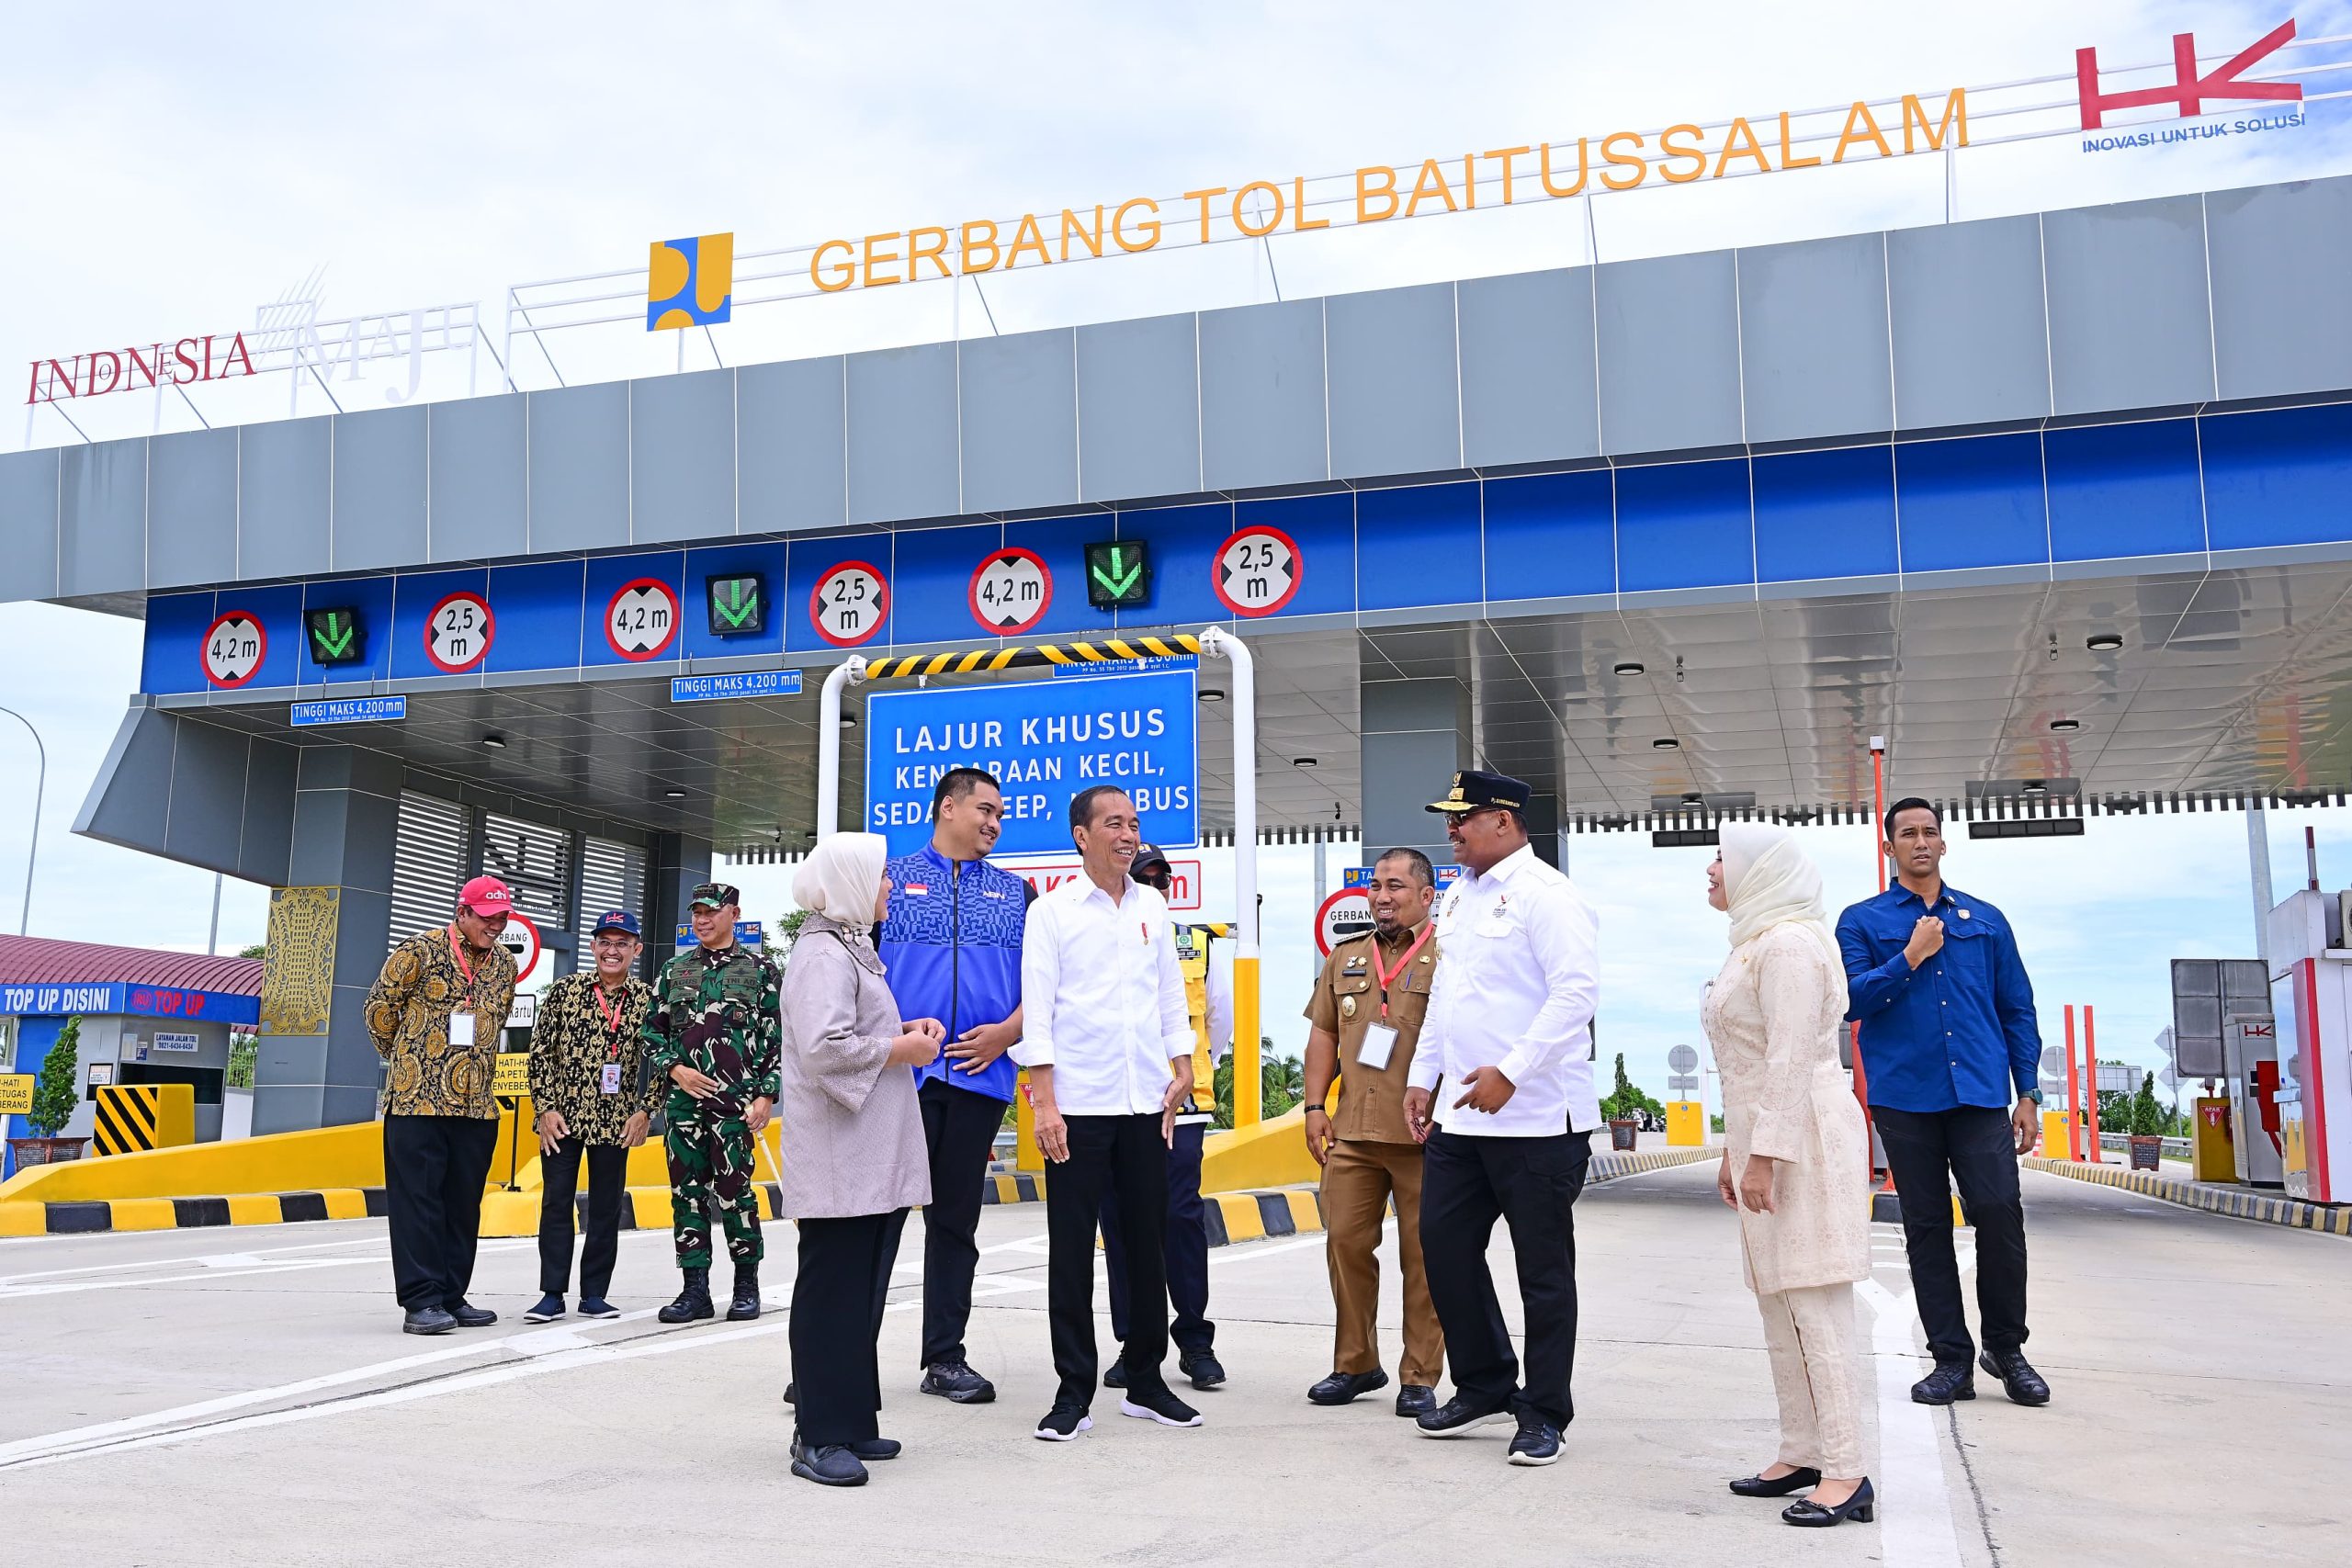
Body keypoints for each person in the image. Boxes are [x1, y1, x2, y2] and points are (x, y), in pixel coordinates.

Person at [1404, 770, 1598, 1467]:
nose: (1452, 829)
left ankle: (1544, 1410)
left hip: (1539, 1121)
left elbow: (1576, 994)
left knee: (1543, 1272)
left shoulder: (1548, 896)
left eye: (1465, 817)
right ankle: (1485, 1381)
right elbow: (1446, 997)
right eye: (1451, 817)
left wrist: (1513, 1069)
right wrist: (1423, 1076)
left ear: (1507, 821)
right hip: (1463, 1121)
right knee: (1444, 1246)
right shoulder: (1458, 896)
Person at [1837, 798, 2050, 1407]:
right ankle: (1951, 1360)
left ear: (1943, 843)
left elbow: (2017, 1008)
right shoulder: (1861, 921)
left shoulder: (1984, 920)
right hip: (1906, 1096)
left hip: (1980, 1091)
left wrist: (2027, 1091)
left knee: (1999, 1211)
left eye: (1930, 831)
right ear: (1890, 848)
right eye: (1908, 833)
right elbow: (1851, 999)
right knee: (1927, 1227)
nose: (1920, 841)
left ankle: (2006, 1348)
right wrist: (1910, 954)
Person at [1013, 785, 1204, 1440]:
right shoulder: (1054, 912)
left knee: (1148, 1243)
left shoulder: (1151, 904)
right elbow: (1038, 1007)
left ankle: (1146, 1379)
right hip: (1078, 1106)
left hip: (1145, 1102)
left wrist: (1183, 1065)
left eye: (1134, 822)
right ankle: (1073, 1391)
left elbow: (1168, 995)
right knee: (1071, 1251)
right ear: (1081, 834)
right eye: (1113, 823)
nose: (1127, 834)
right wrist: (1045, 1101)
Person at [1702, 826, 1875, 1529]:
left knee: (1814, 1298)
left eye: (1719, 858)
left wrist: (1766, 1153)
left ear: (1759, 871)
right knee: (1776, 1298)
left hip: (1802, 1134)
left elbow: (1790, 1057)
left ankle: (1845, 1468)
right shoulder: (1750, 944)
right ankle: (1802, 1449)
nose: (1711, 871)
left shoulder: (1792, 944)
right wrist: (1732, 1149)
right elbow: (1742, 1065)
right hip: (1766, 1134)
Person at [778, 832, 949, 1488]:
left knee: (856, 1292)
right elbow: (824, 1049)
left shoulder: (851, 944)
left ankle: (847, 1418)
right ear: (849, 882)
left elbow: (859, 1033)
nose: (888, 889)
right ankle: (816, 1434)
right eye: (879, 879)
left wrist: (905, 1034)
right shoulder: (822, 953)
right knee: (831, 1292)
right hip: (837, 1157)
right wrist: (900, 1050)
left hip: (864, 1154)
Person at [876, 767, 1031, 1407]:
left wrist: (1003, 1035)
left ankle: (944, 1356)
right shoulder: (889, 883)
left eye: (1000, 814)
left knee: (955, 1226)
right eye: (985, 810)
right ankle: (838, 1358)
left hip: (978, 1078)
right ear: (947, 808)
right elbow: (859, 978)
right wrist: (894, 1038)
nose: (994, 822)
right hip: (897, 1081)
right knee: (874, 1223)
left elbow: (1047, 990)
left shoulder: (1019, 895)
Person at [1301, 847, 1444, 1418]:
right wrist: (1314, 1107)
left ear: (1426, 895)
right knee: (1345, 1245)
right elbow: (1323, 1038)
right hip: (1353, 1134)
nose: (1382, 897)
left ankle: (1420, 1374)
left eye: (1396, 887)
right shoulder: (1346, 958)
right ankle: (1356, 1363)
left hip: (1422, 1135)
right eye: (1375, 887)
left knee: (1424, 1257)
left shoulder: (1450, 955)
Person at [364, 875, 521, 1336]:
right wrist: (409, 1060)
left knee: (462, 1204)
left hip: (476, 1107)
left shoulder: (504, 966)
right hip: (417, 1102)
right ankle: (422, 1299)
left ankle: (452, 1295)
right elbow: (378, 1009)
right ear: (463, 912)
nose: (496, 925)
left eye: (503, 918)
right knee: (419, 1203)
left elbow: (497, 1020)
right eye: (488, 918)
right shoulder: (420, 951)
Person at [1100, 842, 1228, 1393]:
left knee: (1180, 1221)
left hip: (1182, 1107)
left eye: (1161, 879)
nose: (1153, 887)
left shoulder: (1199, 944)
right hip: (1111, 1105)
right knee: (1122, 1224)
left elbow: (1217, 1023)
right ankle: (1133, 1344)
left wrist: (1193, 1074)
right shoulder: (1096, 933)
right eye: (1142, 877)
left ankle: (1195, 1342)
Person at [643, 882, 782, 1326]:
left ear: (733, 914)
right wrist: (674, 1069)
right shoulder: (674, 970)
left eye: (710, 912)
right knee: (686, 1195)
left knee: (736, 1195)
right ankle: (694, 1291)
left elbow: (778, 1040)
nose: (701, 920)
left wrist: (766, 1095)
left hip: (736, 1106)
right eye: (696, 912)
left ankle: (746, 1287)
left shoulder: (760, 970)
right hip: (684, 1105)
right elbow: (652, 1032)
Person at [522, 908, 659, 1324]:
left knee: (605, 1207)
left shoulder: (649, 1000)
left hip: (616, 1122)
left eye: (621, 943)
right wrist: (544, 1108)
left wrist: (645, 1111)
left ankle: (595, 1294)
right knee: (556, 1204)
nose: (611, 951)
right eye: (604, 942)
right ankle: (551, 1294)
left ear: (636, 949)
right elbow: (540, 1054)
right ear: (592, 946)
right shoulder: (564, 992)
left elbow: (666, 1060)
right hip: (562, 1120)